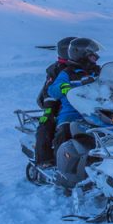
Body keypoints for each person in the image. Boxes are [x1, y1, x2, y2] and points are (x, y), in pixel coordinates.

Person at [47, 38, 103, 156]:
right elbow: (52, 90)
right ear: (82, 55)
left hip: (97, 111)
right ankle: (60, 164)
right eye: (93, 55)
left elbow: (111, 81)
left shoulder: (98, 71)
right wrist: (64, 87)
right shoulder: (67, 73)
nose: (96, 57)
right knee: (65, 131)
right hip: (73, 112)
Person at [33, 36, 76, 166]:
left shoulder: (84, 66)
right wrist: (49, 109)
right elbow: (49, 92)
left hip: (81, 104)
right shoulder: (57, 69)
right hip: (58, 105)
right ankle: (45, 160)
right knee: (47, 125)